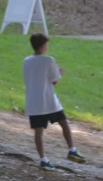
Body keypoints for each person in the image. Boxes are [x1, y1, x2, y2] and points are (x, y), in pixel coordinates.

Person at [22, 33, 86, 171]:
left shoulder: (26, 61)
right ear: (43, 45)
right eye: (47, 44)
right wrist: (59, 73)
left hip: (34, 102)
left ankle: (43, 159)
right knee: (64, 123)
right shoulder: (49, 60)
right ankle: (72, 149)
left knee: (38, 133)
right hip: (49, 100)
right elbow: (54, 81)